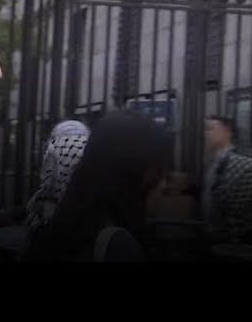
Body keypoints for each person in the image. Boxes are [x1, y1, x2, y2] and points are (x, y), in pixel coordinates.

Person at [22, 110, 170, 262]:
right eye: (157, 171)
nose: (164, 184)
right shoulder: (116, 244)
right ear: (130, 170)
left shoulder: (51, 228)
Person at [26, 120, 90, 229]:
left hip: (55, 217)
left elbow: (47, 184)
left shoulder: (54, 148)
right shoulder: (88, 149)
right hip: (84, 216)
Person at [202, 116, 252, 244]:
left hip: (230, 240)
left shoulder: (243, 165)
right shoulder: (211, 162)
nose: (206, 133)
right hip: (210, 232)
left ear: (227, 132)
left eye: (211, 128)